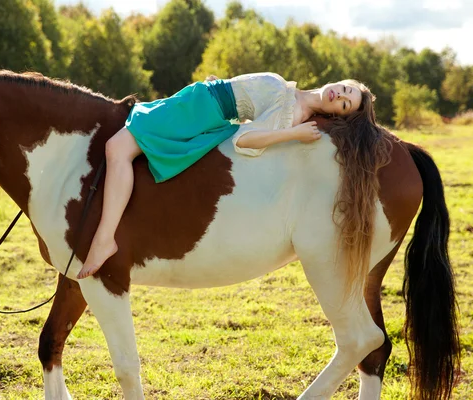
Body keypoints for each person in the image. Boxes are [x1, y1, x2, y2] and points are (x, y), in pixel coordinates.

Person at [77, 72, 373, 279]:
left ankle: (105, 238)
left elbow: (244, 141)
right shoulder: (290, 92)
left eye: (345, 104)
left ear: (337, 115)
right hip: (198, 100)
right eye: (346, 89)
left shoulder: (292, 113)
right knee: (121, 145)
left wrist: (291, 133)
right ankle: (105, 236)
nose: (340, 96)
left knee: (117, 149)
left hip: (199, 111)